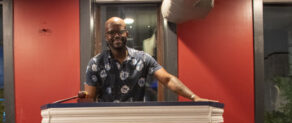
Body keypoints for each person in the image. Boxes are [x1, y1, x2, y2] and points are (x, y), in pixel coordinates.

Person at [79, 17, 216, 103]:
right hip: (106, 121)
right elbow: (90, 97)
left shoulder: (143, 58)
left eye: (120, 31)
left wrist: (194, 97)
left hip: (138, 119)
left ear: (127, 33)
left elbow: (167, 79)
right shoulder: (95, 63)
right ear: (106, 37)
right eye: (111, 32)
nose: (116, 36)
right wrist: (83, 98)